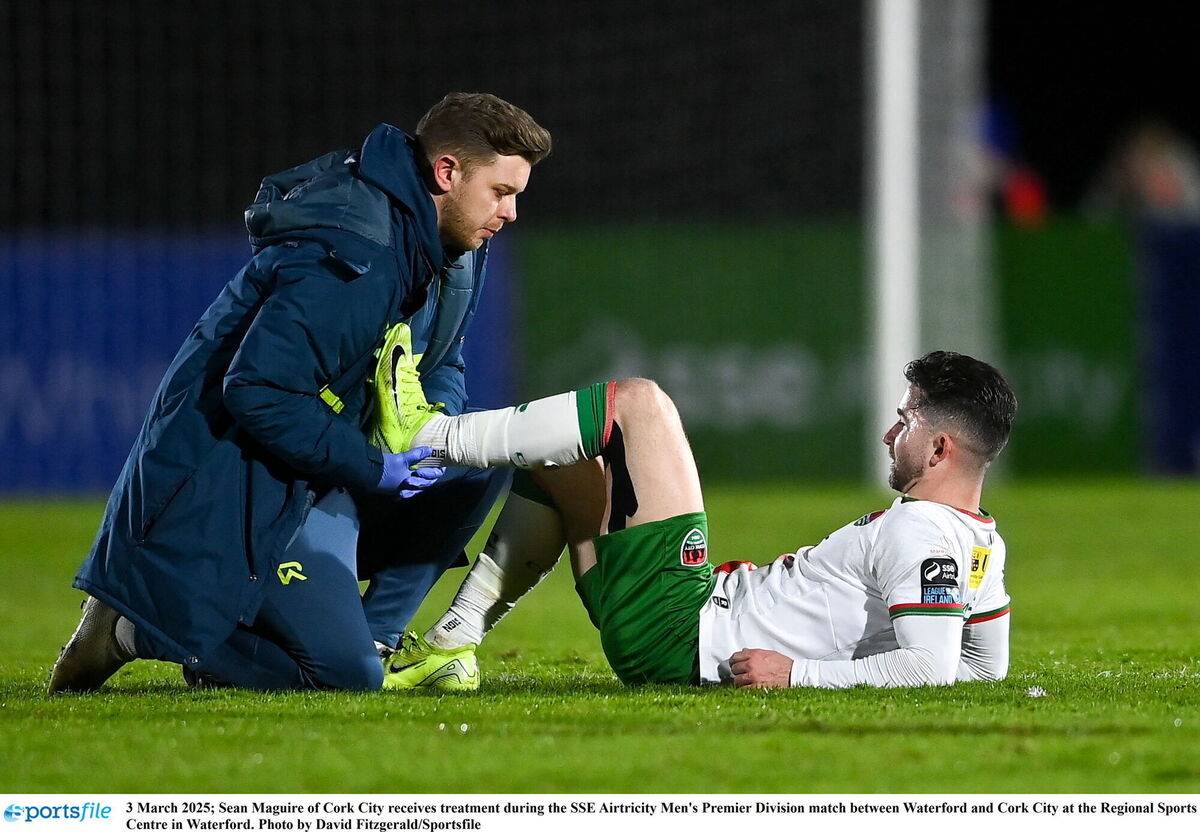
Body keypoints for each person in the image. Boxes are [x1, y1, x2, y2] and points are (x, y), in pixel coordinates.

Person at [48, 93, 552, 693]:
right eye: (501, 192)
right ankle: (129, 630)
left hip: (323, 466)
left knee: (474, 463)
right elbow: (258, 391)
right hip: (252, 481)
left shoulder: (454, 246)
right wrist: (373, 464)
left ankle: (373, 637)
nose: (512, 212)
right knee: (342, 680)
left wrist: (434, 424)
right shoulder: (359, 250)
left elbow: (444, 359)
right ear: (446, 172)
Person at [370, 349, 1016, 689]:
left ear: (939, 449)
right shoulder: (979, 541)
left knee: (641, 405)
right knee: (557, 463)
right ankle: (454, 644)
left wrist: (800, 673)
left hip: (686, 627)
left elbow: (926, 669)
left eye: (905, 422)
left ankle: (427, 433)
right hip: (681, 629)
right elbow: (982, 673)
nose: (887, 434)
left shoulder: (919, 530)